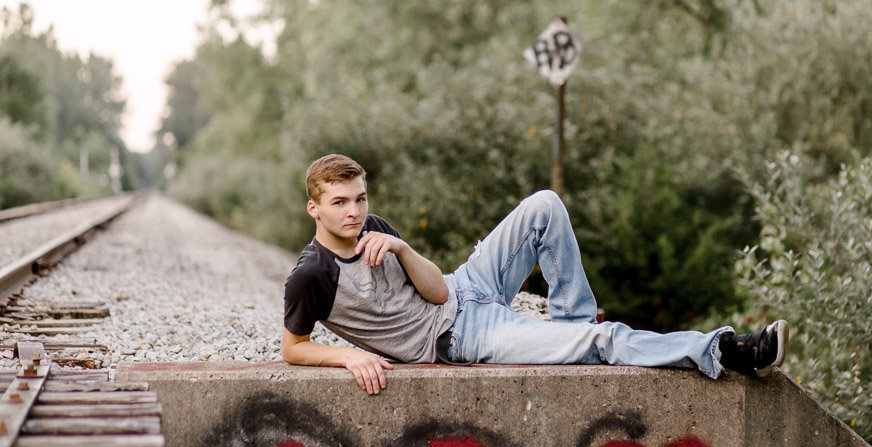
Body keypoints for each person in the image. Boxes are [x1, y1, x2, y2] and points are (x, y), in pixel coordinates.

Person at [282, 154, 789, 394]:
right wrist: (348, 356)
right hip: (459, 336)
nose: (354, 211)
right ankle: (724, 350)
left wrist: (403, 246)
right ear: (314, 209)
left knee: (544, 205)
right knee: (607, 341)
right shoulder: (313, 275)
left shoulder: (373, 227)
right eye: (340, 202)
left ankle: (573, 326)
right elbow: (293, 347)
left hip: (465, 288)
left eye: (360, 198)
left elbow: (436, 290)